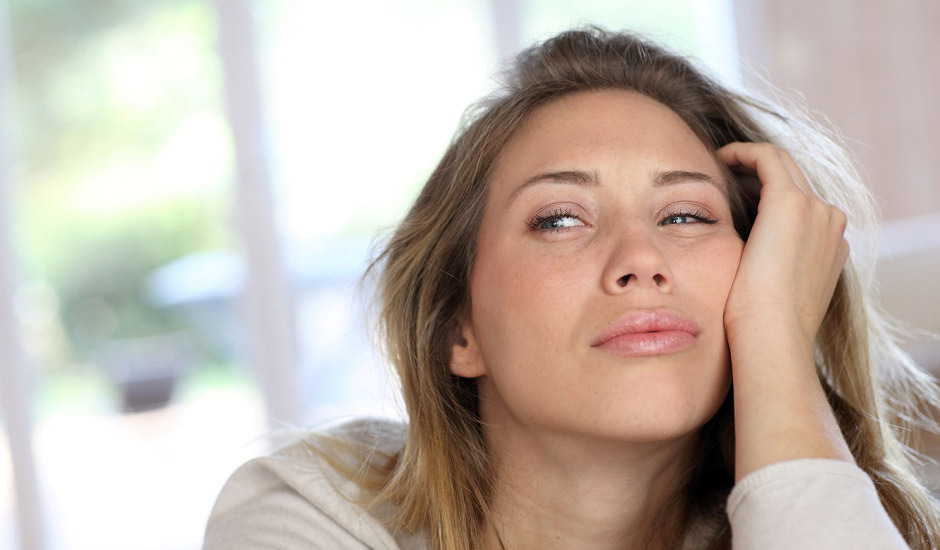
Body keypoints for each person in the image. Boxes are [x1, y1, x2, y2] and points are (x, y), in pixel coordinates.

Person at [203, 27, 940, 549]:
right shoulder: (308, 520)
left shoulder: (853, 523)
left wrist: (775, 340)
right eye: (559, 219)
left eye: (685, 214)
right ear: (460, 329)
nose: (640, 258)